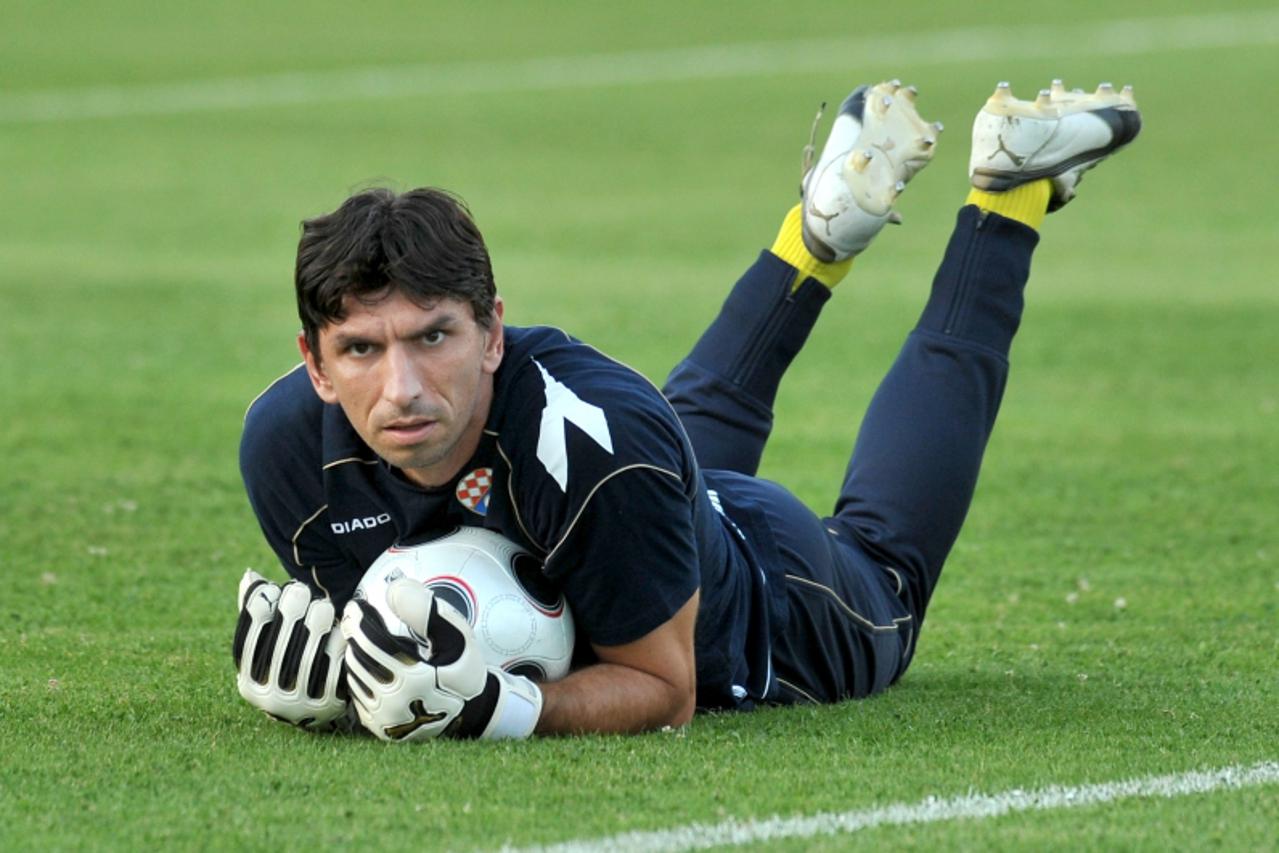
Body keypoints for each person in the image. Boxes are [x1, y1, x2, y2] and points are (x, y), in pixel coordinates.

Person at [232, 78, 1141, 739]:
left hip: (766, 593)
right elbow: (395, 641)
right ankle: (818, 230)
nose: (402, 388)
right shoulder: (284, 449)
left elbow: (662, 689)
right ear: (313, 363)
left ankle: (1008, 191)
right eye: (360, 349)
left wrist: (497, 709)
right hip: (632, 508)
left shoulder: (598, 451)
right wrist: (341, 681)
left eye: (433, 338)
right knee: (656, 443)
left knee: (885, 574)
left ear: (493, 333)